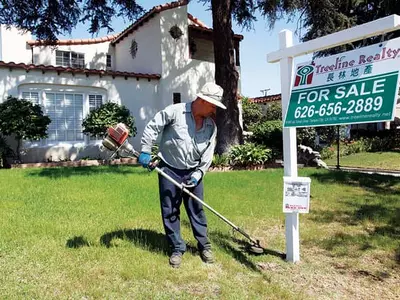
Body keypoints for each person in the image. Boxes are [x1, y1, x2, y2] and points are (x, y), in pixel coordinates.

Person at [138, 82, 226, 268]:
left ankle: (204, 245)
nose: (214, 110)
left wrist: (199, 173)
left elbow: (208, 153)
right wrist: (146, 150)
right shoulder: (175, 112)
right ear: (202, 100)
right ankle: (177, 247)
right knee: (170, 209)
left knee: (197, 209)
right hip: (169, 168)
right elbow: (153, 126)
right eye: (212, 105)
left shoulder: (211, 126)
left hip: (193, 171)